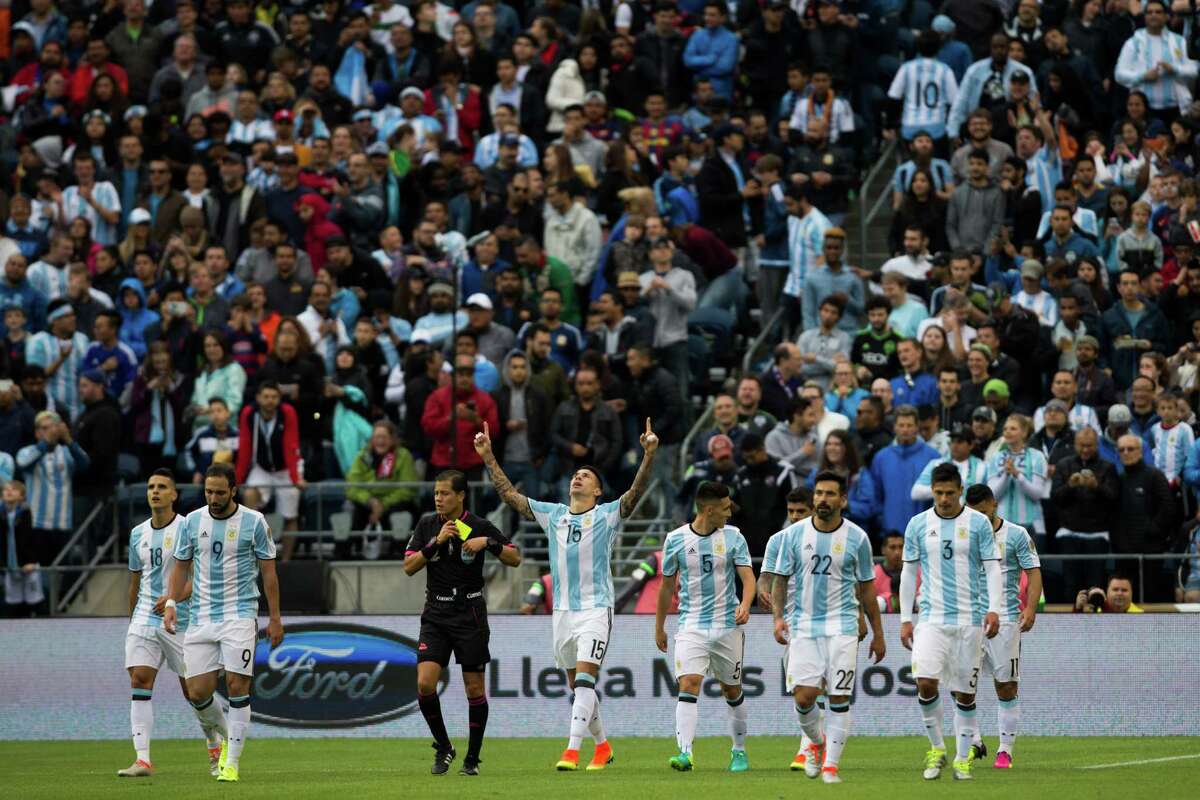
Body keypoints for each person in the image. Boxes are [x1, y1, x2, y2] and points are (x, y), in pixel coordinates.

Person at [475, 417, 659, 772]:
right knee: (578, 688)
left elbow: (635, 493)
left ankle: (572, 751)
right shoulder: (553, 515)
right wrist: (487, 456)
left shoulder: (608, 515)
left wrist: (648, 454)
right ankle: (602, 746)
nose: (578, 477)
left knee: (587, 680)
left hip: (596, 608)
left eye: (586, 476)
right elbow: (509, 496)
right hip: (561, 612)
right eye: (576, 474)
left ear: (598, 491)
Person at [163, 462, 283, 784]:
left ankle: (232, 764)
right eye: (208, 492)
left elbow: (269, 574)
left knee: (236, 686)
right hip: (201, 617)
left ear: (233, 490)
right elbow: (181, 568)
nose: (213, 498)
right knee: (196, 691)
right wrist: (172, 602)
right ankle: (229, 736)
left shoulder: (255, 522)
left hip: (240, 615)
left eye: (219, 492)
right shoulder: (191, 522)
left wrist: (274, 618)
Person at [768, 471, 885, 784]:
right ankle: (817, 743)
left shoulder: (858, 538)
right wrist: (778, 618)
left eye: (830, 494)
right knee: (804, 697)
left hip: (843, 627)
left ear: (843, 500)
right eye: (818, 493)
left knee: (838, 697)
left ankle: (832, 766)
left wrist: (878, 634)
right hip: (803, 627)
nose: (822, 499)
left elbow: (868, 590)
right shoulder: (793, 536)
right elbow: (780, 581)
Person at [402, 469, 521, 775]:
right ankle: (444, 747)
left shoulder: (478, 526)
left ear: (460, 495)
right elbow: (409, 567)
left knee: (473, 687)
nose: (438, 499)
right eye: (436, 494)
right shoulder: (428, 525)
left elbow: (514, 557)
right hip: (436, 613)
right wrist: (435, 543)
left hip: (469, 613)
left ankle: (472, 758)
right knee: (425, 682)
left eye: (444, 493)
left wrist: (488, 543)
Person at [899, 462, 1002, 782]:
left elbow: (993, 569)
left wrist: (994, 609)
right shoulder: (917, 524)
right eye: (938, 493)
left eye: (949, 493)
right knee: (925, 682)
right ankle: (936, 748)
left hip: (969, 620)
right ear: (932, 491)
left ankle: (962, 758)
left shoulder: (978, 524)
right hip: (931, 619)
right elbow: (909, 572)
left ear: (960, 491)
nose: (943, 499)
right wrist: (905, 618)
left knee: (965, 694)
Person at [119, 469, 225, 778]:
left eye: (162, 487)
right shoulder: (137, 533)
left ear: (174, 494)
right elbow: (134, 582)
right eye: (151, 486)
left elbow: (201, 576)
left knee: (195, 693)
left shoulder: (188, 527)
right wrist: (132, 620)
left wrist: (173, 598)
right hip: (144, 619)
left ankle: (215, 742)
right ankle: (142, 760)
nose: (155, 491)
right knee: (139, 679)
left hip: (182, 620)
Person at [654, 481, 755, 773]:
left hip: (727, 626)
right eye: (725, 509)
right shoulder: (675, 539)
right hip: (692, 625)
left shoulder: (734, 537)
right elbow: (666, 587)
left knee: (731, 689)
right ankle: (685, 753)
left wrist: (745, 605)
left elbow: (748, 578)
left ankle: (738, 750)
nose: (729, 513)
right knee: (688, 684)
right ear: (709, 510)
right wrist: (659, 626)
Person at [964, 483, 1042, 770]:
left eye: (983, 513)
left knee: (1006, 686)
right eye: (973, 514)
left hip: (1006, 619)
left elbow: (1033, 572)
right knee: (962, 686)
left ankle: (1005, 750)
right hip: (968, 620)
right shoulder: (964, 534)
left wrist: (1031, 608)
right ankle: (974, 740)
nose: (979, 520)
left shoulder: (1017, 534)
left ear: (993, 505)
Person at [234, 382, 305, 561]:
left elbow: (291, 444)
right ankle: (255, 556)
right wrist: (237, 478)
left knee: (290, 515)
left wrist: (296, 478)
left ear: (279, 399)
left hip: (286, 468)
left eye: (274, 397)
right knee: (249, 494)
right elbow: (245, 446)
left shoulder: (287, 412)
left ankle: (286, 560)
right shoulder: (249, 414)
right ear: (258, 398)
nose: (269, 401)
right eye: (266, 397)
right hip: (262, 468)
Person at [870, 405, 939, 546]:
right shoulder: (881, 458)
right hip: (890, 533)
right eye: (901, 425)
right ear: (894, 427)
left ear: (917, 427)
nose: (905, 429)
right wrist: (882, 522)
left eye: (909, 425)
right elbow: (876, 495)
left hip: (925, 533)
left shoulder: (933, 457)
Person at [985, 415, 1049, 545]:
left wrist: (1017, 475)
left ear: (1024, 433)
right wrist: (1006, 475)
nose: (1007, 431)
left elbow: (1037, 494)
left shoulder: (1037, 456)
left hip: (1032, 526)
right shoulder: (996, 457)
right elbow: (992, 495)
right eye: (1005, 429)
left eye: (1013, 428)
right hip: (1002, 525)